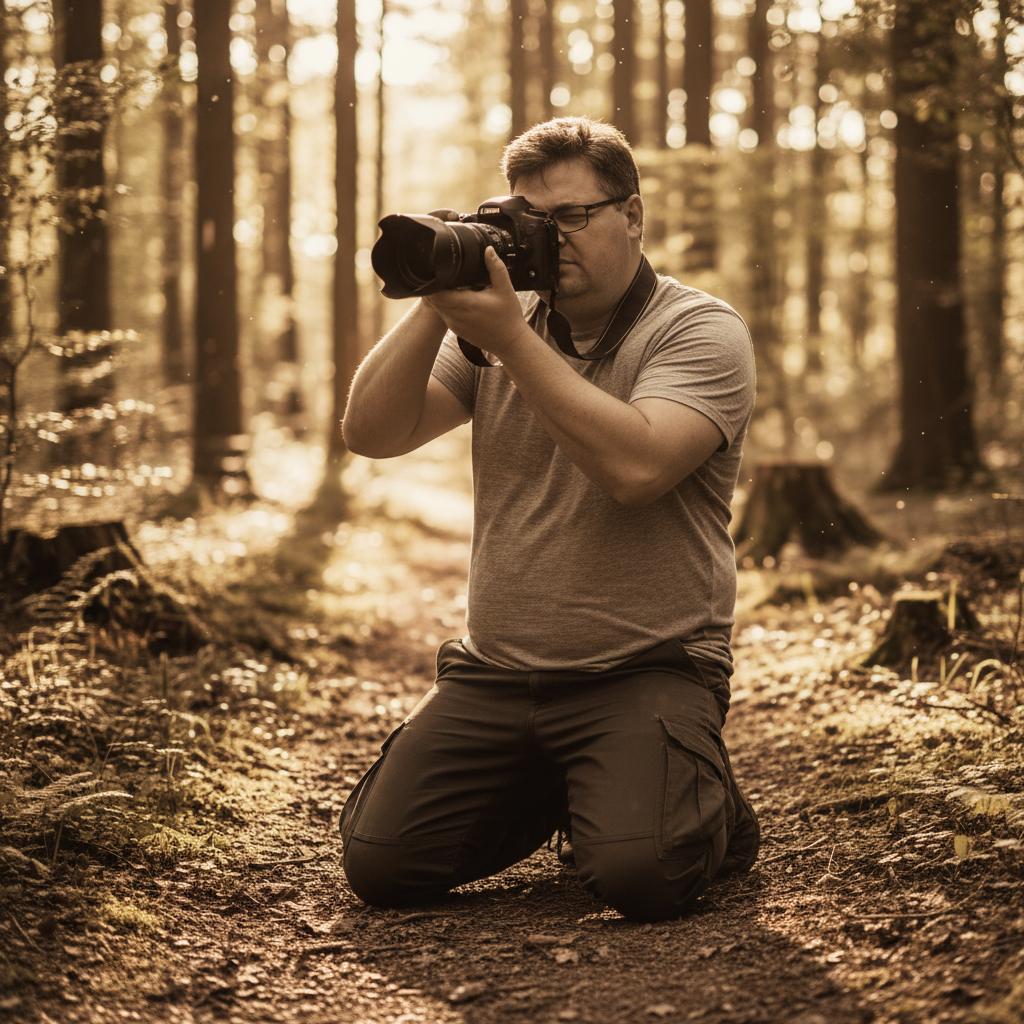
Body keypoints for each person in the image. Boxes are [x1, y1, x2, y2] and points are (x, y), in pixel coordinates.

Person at [339, 116, 758, 922]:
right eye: (528, 219)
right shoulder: (500, 328)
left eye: (570, 216)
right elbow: (372, 433)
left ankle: (704, 810)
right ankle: (592, 784)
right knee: (381, 867)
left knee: (643, 878)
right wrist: (439, 293)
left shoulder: (698, 329)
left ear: (632, 215)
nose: (549, 238)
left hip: (648, 666)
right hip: (494, 673)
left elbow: (636, 471)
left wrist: (505, 335)